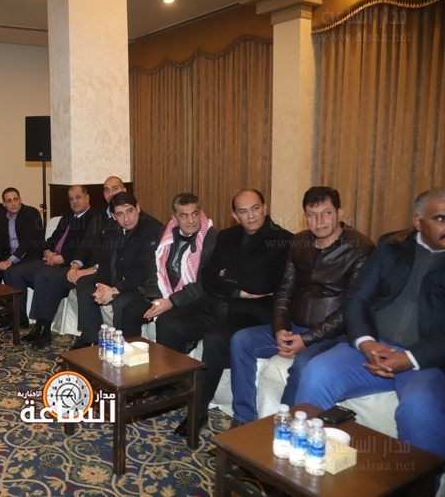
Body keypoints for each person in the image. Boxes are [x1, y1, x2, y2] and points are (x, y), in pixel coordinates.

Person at [296, 187, 445, 458]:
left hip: (425, 361)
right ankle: (304, 461)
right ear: (418, 221)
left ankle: (420, 480)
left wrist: (410, 358)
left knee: (419, 407)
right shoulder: (392, 246)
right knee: (316, 373)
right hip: (371, 347)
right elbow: (357, 298)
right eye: (440, 219)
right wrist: (366, 343)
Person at [230, 187, 375, 423]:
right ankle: (243, 418)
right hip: (295, 326)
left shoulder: (361, 248)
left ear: (340, 213)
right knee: (241, 341)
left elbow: (352, 307)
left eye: (326, 213)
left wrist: (306, 340)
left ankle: (286, 427)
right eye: (312, 215)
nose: (319, 221)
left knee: (303, 364)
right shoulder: (299, 242)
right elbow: (284, 291)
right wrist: (280, 329)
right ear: (305, 216)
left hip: (334, 335)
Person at [174, 189, 292, 437]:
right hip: (231, 306)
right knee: (175, 322)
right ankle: (180, 395)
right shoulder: (227, 236)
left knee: (215, 338)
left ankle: (199, 410)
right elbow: (209, 278)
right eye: (243, 211)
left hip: (261, 316)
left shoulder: (283, 239)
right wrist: (238, 290)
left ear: (265, 208)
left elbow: (262, 283)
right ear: (235, 215)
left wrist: (227, 274)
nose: (251, 215)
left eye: (255, 208)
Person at [123, 192, 220, 348]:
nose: (191, 220)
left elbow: (205, 284)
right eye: (184, 216)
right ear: (174, 219)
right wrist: (156, 297)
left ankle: (168, 363)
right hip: (165, 291)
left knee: (165, 322)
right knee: (130, 311)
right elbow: (155, 267)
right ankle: (133, 357)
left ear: (200, 213)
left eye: (195, 214)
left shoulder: (212, 239)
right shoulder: (166, 232)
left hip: (194, 300)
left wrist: (172, 302)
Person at [72, 191, 162, 348]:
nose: (126, 219)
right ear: (114, 216)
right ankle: (92, 340)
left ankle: (123, 348)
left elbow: (144, 273)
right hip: (120, 278)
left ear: (138, 208)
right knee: (86, 287)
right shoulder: (113, 229)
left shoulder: (152, 229)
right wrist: (102, 286)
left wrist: (114, 290)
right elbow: (106, 261)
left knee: (120, 302)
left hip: (143, 285)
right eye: (120, 214)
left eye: (130, 211)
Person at [20, 185, 95, 349]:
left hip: (75, 264)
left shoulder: (93, 218)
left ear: (87, 197)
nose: (74, 201)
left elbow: (86, 247)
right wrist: (47, 252)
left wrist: (63, 258)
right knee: (41, 275)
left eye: (78, 197)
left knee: (50, 277)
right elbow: (53, 239)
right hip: (55, 260)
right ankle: (39, 326)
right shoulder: (67, 216)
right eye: (71, 199)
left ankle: (44, 328)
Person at [0, 187, 46, 329]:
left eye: (15, 199)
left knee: (12, 271)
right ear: (4, 204)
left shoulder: (31, 213)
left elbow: (27, 242)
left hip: (32, 257)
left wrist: (10, 261)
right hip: (12, 257)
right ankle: (12, 314)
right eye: (9, 201)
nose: (13, 203)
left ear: (20, 199)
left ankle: (19, 316)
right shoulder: (1, 217)